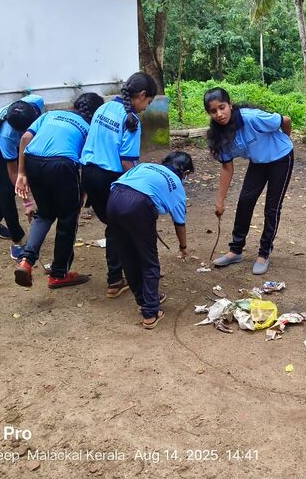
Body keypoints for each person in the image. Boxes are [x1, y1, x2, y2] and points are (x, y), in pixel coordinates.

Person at [13, 93, 105, 289]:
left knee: (44, 214)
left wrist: (21, 173)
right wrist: (84, 192)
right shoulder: (90, 129)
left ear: (74, 106)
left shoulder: (50, 115)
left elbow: (26, 138)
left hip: (33, 162)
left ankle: (26, 261)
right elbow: (87, 162)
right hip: (62, 165)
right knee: (67, 219)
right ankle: (58, 274)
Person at [79, 72, 157, 297]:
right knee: (121, 227)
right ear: (142, 95)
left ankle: (118, 278)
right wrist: (141, 187)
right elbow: (126, 160)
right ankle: (121, 279)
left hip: (88, 175)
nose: (147, 107)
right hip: (109, 177)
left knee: (114, 225)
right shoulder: (131, 119)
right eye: (149, 102)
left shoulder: (102, 109)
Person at [204, 87, 294, 276]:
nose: (219, 114)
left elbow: (285, 120)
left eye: (222, 107)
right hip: (259, 162)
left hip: (281, 158)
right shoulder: (221, 135)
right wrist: (220, 200)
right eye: (213, 111)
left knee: (272, 207)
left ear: (230, 105)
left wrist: (286, 138)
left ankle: (264, 254)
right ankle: (235, 250)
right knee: (245, 201)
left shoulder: (252, 118)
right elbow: (227, 167)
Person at [107, 152, 193, 329]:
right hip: (139, 206)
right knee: (149, 262)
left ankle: (144, 300)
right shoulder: (176, 184)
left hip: (114, 200)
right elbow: (179, 222)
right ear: (184, 172)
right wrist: (183, 247)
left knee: (127, 257)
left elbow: (121, 183)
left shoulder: (143, 166)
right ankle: (150, 312)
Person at [0, 94, 44, 260]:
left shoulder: (35, 101)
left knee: (9, 189)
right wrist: (27, 202)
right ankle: (17, 241)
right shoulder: (7, 135)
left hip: (14, 142)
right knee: (6, 191)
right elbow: (15, 173)